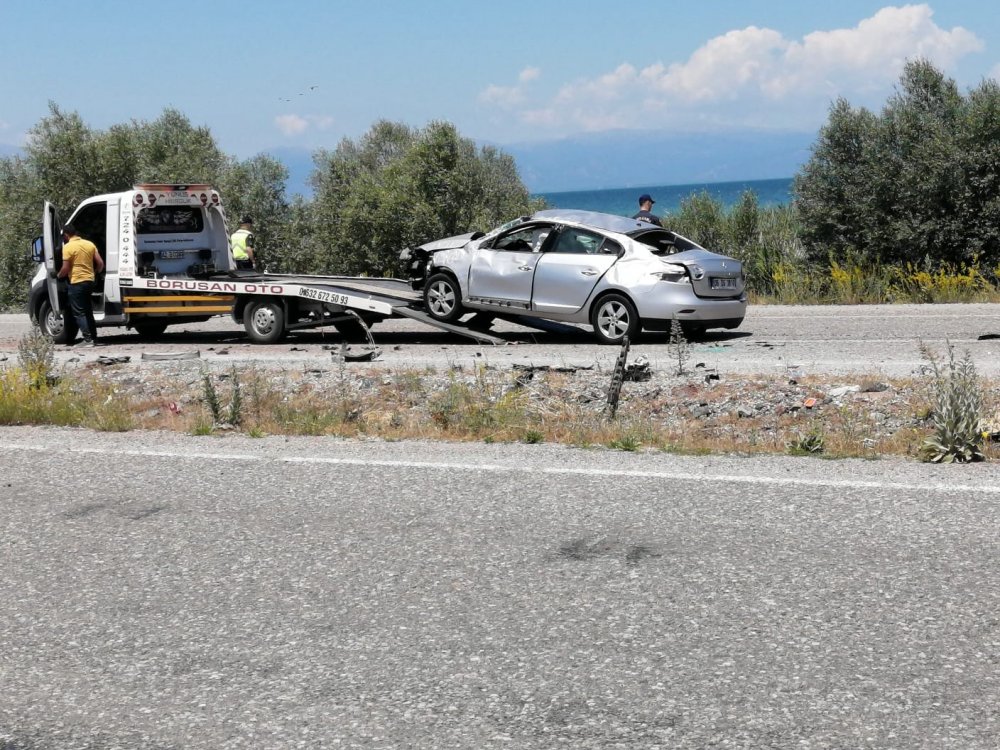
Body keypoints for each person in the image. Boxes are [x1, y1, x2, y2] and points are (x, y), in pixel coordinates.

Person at [56, 223, 105, 346]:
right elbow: (100, 263)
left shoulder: (68, 247)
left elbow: (65, 268)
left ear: (66, 235)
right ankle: (94, 338)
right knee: (88, 310)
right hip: (89, 281)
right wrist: (95, 273)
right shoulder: (89, 244)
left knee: (79, 312)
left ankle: (87, 340)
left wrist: (58, 276)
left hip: (77, 282)